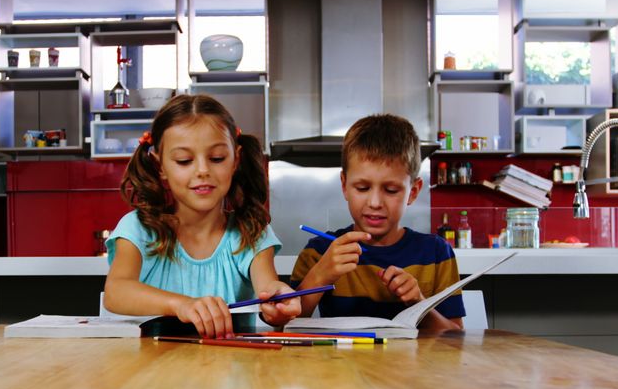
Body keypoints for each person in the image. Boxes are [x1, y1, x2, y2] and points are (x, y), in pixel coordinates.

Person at [104, 94, 300, 338]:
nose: (203, 170)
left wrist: (278, 302)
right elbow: (116, 291)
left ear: (235, 160)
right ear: (161, 167)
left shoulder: (251, 232)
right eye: (184, 161)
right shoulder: (138, 229)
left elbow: (268, 290)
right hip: (154, 371)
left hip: (230, 370)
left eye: (217, 158)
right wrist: (183, 305)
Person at [290, 114, 465, 330]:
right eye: (362, 188)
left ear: (414, 192)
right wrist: (320, 276)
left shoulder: (436, 253)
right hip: (339, 363)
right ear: (344, 185)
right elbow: (287, 327)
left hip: (415, 364)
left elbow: (456, 339)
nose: (375, 202)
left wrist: (418, 303)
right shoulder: (319, 253)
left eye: (391, 190)